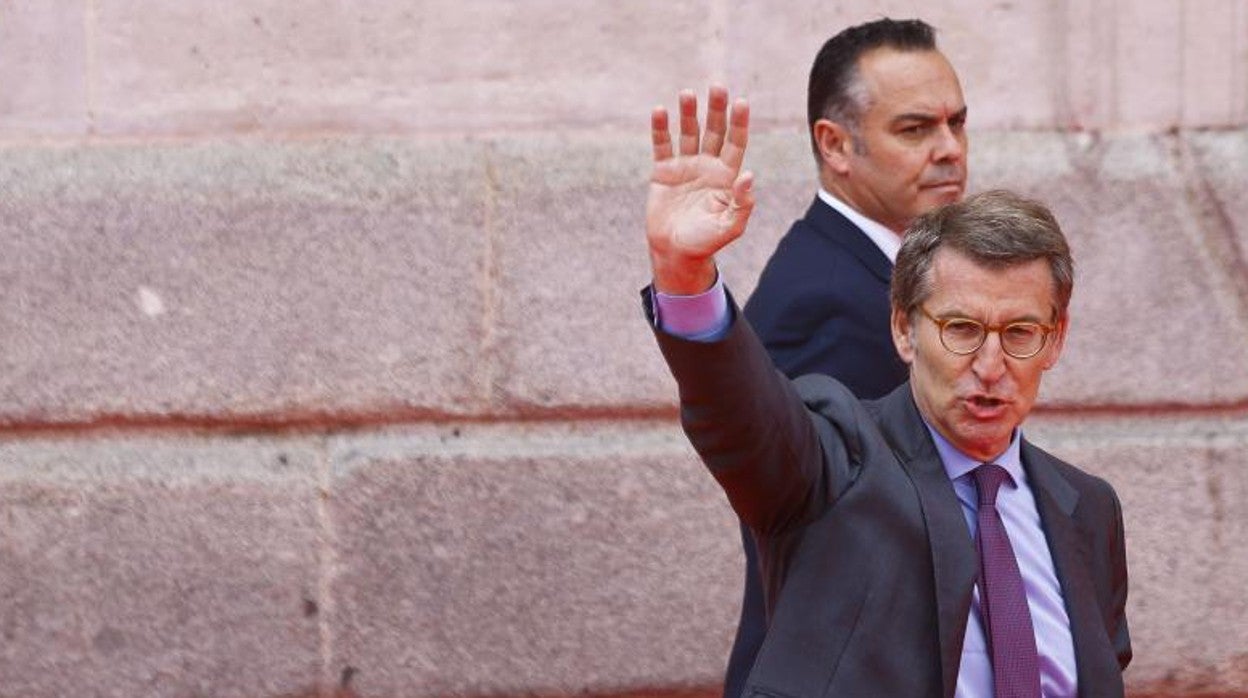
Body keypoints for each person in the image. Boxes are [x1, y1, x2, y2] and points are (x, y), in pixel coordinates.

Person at [642, 89, 1130, 696]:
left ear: (1055, 341)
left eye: (1021, 333)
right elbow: (744, 420)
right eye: (961, 329)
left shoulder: (1087, 508)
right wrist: (683, 274)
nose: (990, 363)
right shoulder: (838, 460)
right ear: (904, 328)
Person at [732, 19, 968, 697]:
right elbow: (839, 543)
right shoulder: (822, 303)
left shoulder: (885, 275)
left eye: (957, 122)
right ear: (835, 146)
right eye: (916, 129)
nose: (950, 149)